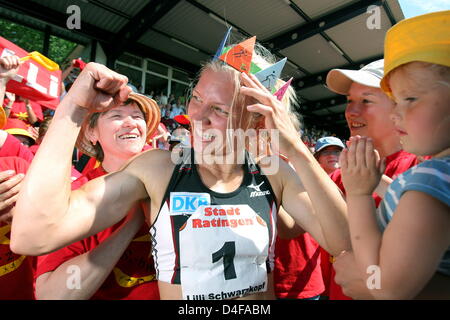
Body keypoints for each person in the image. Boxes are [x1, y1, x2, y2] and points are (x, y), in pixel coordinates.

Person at [11, 41, 350, 300]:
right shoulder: (158, 168)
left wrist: (295, 151)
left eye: (219, 109)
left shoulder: (271, 171)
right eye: (197, 98)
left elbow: (344, 242)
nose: (198, 117)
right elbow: (33, 235)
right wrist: (73, 108)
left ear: (258, 118)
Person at [337, 10, 450, 300]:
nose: (397, 112)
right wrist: (376, 182)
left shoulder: (431, 179)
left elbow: (386, 287)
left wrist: (359, 195)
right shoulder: (436, 175)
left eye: (410, 98)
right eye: (396, 100)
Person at [35, 92, 161, 300]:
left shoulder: (171, 180)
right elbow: (51, 295)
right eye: (116, 115)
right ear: (93, 133)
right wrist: (130, 225)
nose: (130, 122)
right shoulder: (73, 197)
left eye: (137, 116)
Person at [321, 58, 419, 300]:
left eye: (366, 100)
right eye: (350, 101)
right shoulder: (340, 174)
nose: (351, 111)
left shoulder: (425, 166)